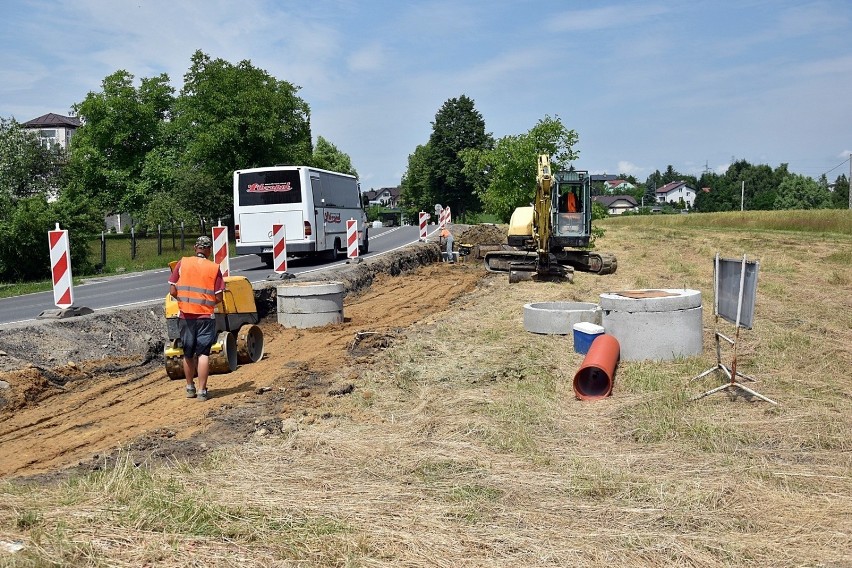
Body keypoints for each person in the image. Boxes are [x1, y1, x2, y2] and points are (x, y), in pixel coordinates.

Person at [168, 235, 225, 402]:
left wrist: (184, 301)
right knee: (203, 354)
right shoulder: (214, 268)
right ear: (208, 250)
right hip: (205, 316)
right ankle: (202, 391)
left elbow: (172, 291)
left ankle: (189, 387)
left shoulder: (183, 262)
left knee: (188, 353)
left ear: (195, 248)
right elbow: (219, 297)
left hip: (185, 316)